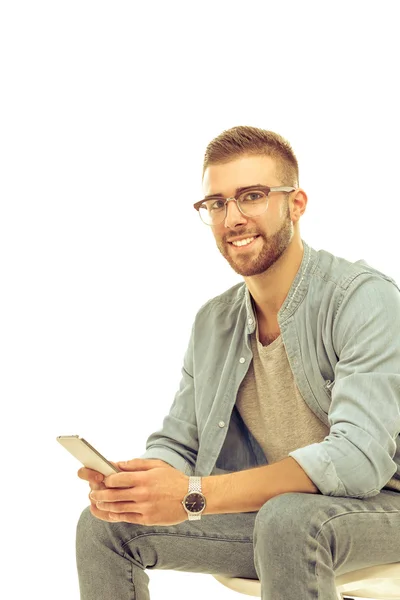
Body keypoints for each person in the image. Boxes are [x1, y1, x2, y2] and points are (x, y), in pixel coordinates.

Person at [76, 125, 400, 600]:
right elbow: (179, 443)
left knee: (288, 519)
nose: (233, 218)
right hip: (279, 519)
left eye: (252, 196)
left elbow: (356, 461)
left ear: (296, 203)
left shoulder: (363, 300)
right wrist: (141, 485)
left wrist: (192, 496)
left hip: (382, 507)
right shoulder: (214, 322)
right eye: (217, 203)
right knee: (107, 526)